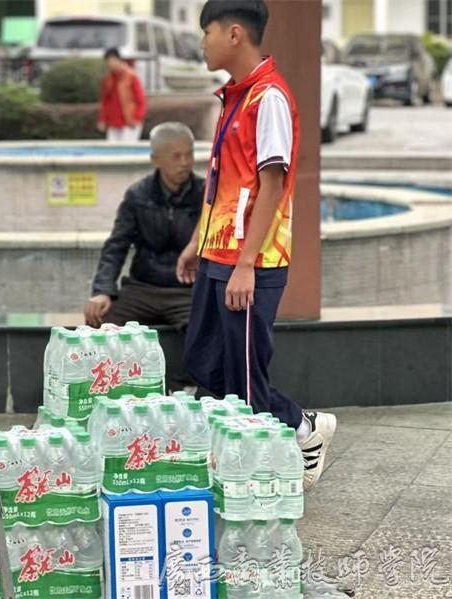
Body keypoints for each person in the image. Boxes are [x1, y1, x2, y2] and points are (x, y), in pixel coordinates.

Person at [176, 0, 336, 491]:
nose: (201, 43)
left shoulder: (268, 99)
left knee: (245, 382)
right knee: (208, 367)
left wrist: (246, 264)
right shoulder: (235, 97)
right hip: (217, 254)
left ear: (234, 34)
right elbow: (223, 183)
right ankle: (292, 429)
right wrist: (196, 242)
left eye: (206, 32)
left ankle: (300, 434)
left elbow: (273, 185)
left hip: (251, 262)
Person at [85, 122, 203, 390]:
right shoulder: (138, 195)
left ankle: (182, 390)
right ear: (155, 159)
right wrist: (102, 290)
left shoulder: (206, 193)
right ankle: (113, 388)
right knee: (100, 322)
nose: (185, 163)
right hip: (143, 288)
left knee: (210, 327)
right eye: (176, 156)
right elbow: (116, 246)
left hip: (187, 290)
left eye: (189, 154)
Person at [97, 48, 147, 142]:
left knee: (127, 147)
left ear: (118, 59)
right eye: (109, 61)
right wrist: (102, 119)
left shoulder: (131, 77)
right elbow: (105, 101)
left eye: (113, 60)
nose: (111, 64)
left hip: (130, 120)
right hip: (114, 122)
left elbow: (140, 99)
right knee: (111, 148)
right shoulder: (108, 79)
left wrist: (137, 117)